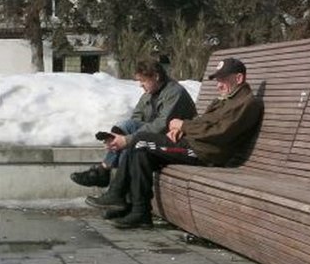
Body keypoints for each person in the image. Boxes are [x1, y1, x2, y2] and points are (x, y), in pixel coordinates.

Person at [109, 57, 264, 229]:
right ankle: (139, 211)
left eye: (222, 80)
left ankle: (117, 194)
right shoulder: (227, 99)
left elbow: (220, 133)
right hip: (192, 144)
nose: (218, 85)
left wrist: (183, 125)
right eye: (217, 80)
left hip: (204, 153)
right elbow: (204, 122)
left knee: (140, 140)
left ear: (239, 78)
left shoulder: (247, 103)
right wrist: (183, 129)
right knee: (142, 152)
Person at [71, 59, 197, 202]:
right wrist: (118, 136)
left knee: (130, 143)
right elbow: (136, 117)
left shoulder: (175, 93)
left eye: (143, 81)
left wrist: (129, 139)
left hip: (175, 140)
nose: (140, 85)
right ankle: (106, 175)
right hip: (153, 135)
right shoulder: (149, 94)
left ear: (156, 76)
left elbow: (161, 125)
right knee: (125, 127)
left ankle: (108, 181)